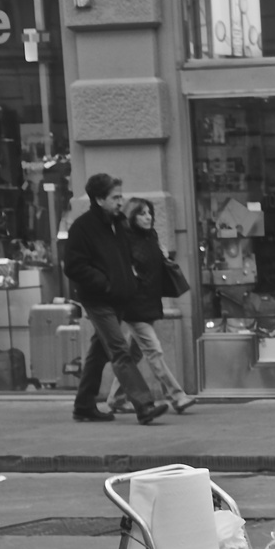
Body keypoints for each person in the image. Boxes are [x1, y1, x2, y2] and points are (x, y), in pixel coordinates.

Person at [62, 174, 169, 425]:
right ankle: (144, 405)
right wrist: (105, 283)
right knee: (120, 351)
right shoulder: (83, 227)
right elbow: (74, 266)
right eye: (115, 197)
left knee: (99, 353)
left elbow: (127, 257)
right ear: (99, 199)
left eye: (121, 196)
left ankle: (84, 405)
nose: (121, 202)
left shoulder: (118, 224)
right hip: (98, 299)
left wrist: (130, 282)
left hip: (119, 297)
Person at [105, 198, 197, 415]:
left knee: (133, 354)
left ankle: (116, 398)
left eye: (149, 213)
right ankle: (177, 396)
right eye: (142, 213)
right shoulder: (124, 240)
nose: (148, 217)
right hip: (134, 305)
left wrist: (164, 256)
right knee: (154, 351)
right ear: (132, 216)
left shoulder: (151, 236)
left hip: (151, 302)